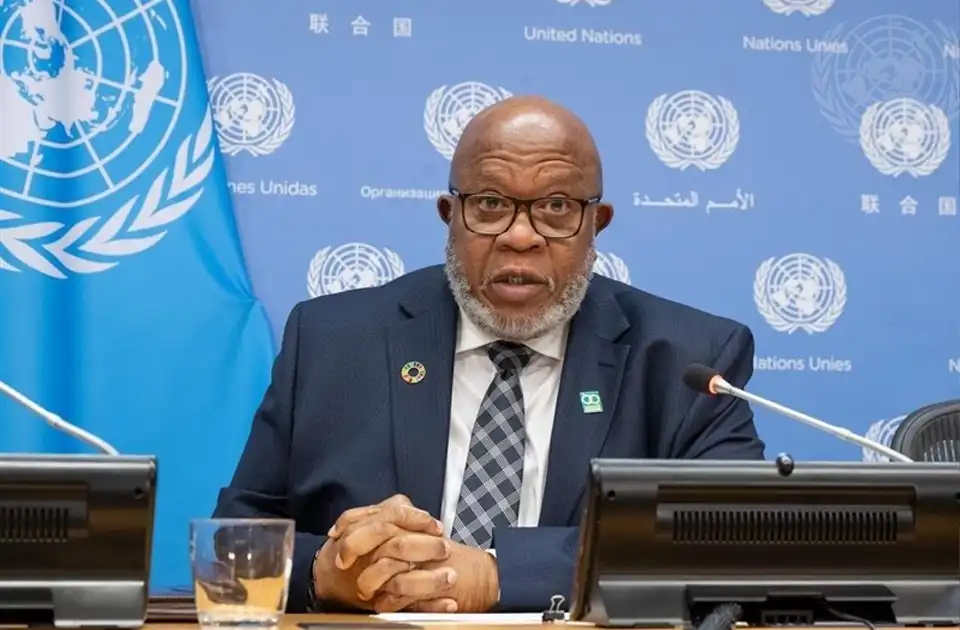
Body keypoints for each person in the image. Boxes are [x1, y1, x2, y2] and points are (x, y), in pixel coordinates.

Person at [213, 95, 766, 615]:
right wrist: (322, 574)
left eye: (556, 207)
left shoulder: (684, 361)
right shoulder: (334, 341)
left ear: (596, 225)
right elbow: (231, 553)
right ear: (449, 215)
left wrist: (498, 575)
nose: (520, 236)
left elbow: (733, 543)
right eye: (491, 204)